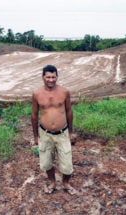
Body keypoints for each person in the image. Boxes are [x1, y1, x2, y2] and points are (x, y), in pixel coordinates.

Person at [31, 64, 77, 195]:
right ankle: (52, 182)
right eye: (48, 77)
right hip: (45, 134)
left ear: (57, 77)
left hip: (62, 133)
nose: (51, 80)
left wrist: (70, 132)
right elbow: (34, 116)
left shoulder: (64, 92)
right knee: (46, 162)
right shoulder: (37, 94)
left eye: (53, 77)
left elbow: (69, 112)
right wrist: (35, 137)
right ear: (43, 77)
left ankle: (66, 183)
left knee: (67, 164)